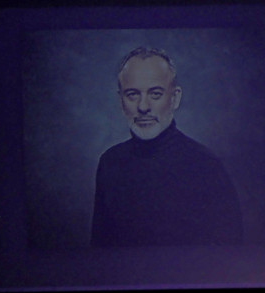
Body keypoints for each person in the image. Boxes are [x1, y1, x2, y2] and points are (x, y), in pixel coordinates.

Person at [91, 46, 242, 247]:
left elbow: (230, 260)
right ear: (121, 101)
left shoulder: (206, 166)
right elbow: (99, 257)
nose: (143, 107)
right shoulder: (110, 163)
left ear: (175, 98)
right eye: (132, 94)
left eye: (155, 94)